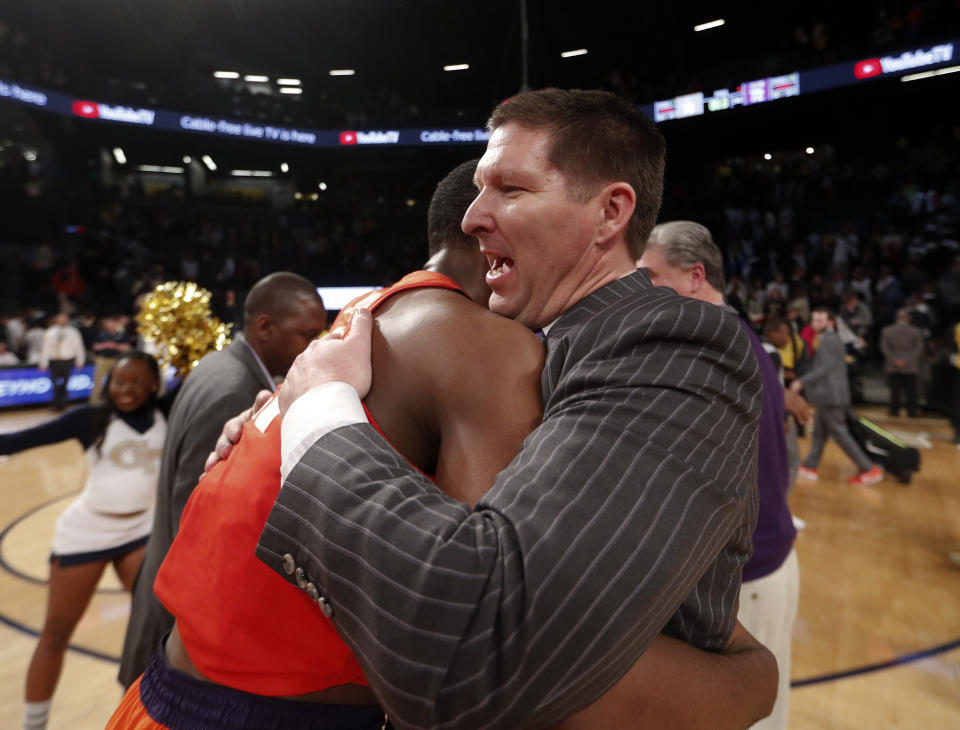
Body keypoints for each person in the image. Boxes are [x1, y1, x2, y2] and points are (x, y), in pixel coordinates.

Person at [110, 160, 775, 730]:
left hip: (160, 694)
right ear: (483, 231)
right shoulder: (482, 345)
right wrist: (752, 676)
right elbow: (507, 651)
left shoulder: (358, 319)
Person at [256, 88, 765, 729]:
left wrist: (319, 414)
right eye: (477, 189)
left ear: (610, 212)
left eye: (510, 189)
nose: (471, 217)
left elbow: (481, 646)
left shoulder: (672, 342)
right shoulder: (540, 347)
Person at [118, 272, 327, 687]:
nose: (315, 346)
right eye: (306, 334)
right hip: (179, 643)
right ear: (265, 327)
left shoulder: (220, 365)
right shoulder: (235, 392)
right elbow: (197, 528)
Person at [640, 220, 808, 730]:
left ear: (695, 276)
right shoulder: (740, 337)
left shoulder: (706, 347)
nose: (638, 290)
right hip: (769, 560)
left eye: (650, 276)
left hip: (743, 579)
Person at [0, 352, 165, 730]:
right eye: (119, 382)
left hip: (138, 532)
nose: (126, 390)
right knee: (57, 632)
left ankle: (145, 715)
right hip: (86, 533)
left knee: (153, 627)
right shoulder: (91, 419)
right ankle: (33, 724)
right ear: (108, 383)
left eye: (138, 382)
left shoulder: (166, 414)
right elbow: (15, 442)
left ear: (154, 385)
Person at [793, 308, 883, 486]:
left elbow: (824, 368)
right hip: (827, 396)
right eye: (815, 320)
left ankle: (868, 469)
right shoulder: (825, 339)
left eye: (821, 321)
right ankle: (810, 466)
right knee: (819, 434)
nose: (817, 324)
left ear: (830, 323)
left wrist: (800, 382)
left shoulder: (831, 340)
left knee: (841, 435)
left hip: (832, 396)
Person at [880, 308, 924, 417]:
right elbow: (919, 348)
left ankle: (894, 411)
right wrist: (907, 360)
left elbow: (884, 348)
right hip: (910, 365)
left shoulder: (887, 330)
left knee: (895, 390)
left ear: (897, 318)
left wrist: (894, 360)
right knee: (911, 390)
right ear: (908, 319)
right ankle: (912, 411)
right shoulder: (916, 331)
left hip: (893, 364)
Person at [38, 312, 86, 411]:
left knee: (65, 383)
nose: (62, 320)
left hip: (67, 361)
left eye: (64, 318)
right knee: (55, 383)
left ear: (67, 320)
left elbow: (79, 348)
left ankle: (63, 404)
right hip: (54, 361)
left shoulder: (74, 332)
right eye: (60, 318)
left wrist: (80, 361)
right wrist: (43, 362)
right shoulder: (50, 332)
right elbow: (45, 348)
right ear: (56, 320)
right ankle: (56, 404)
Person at [90, 315, 133, 402]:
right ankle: (93, 402)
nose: (110, 325)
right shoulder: (102, 334)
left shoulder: (121, 334)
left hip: (116, 360)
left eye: (112, 323)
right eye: (108, 323)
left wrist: (115, 346)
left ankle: (117, 401)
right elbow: (95, 347)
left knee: (118, 381)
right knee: (98, 382)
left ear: (115, 323)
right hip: (103, 359)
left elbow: (128, 347)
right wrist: (104, 345)